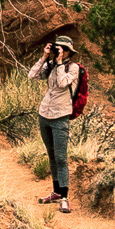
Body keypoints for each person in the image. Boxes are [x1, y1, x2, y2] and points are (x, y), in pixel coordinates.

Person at [25, 27, 87, 210]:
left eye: (63, 49)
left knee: (61, 158)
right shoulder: (50, 65)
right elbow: (32, 76)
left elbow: (62, 83)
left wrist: (59, 63)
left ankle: (64, 198)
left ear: (69, 52)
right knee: (51, 155)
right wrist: (44, 57)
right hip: (44, 114)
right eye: (57, 48)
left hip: (61, 117)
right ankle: (56, 191)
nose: (59, 51)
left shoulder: (73, 68)